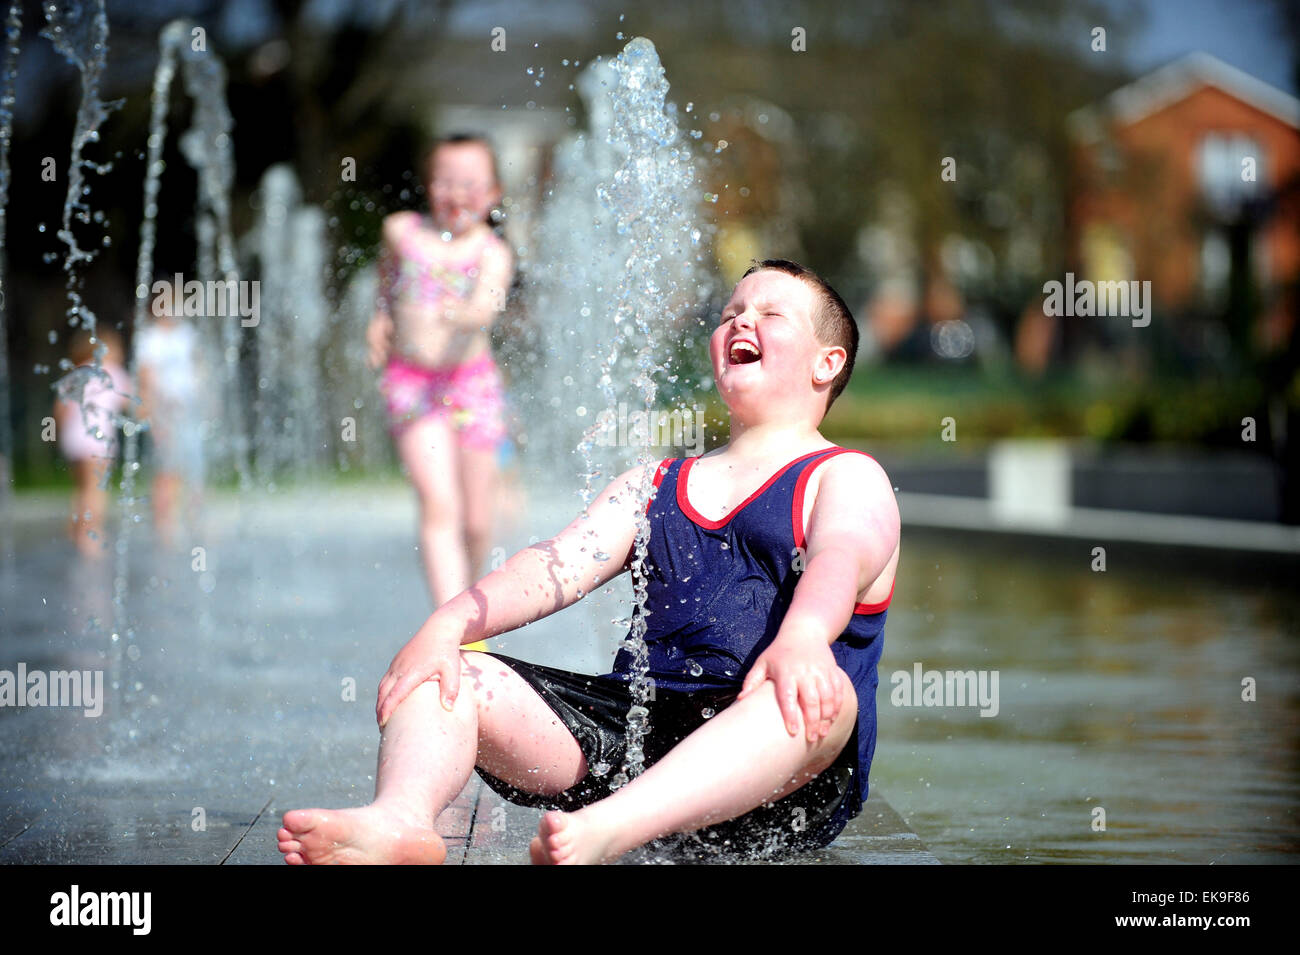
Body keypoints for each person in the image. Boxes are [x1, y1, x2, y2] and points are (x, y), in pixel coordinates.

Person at [279, 260, 900, 864]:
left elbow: (838, 559)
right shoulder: (654, 484)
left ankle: (609, 830)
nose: (742, 322)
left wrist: (802, 638)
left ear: (829, 362)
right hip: (631, 747)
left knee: (825, 697)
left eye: (771, 313)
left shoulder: (844, 477)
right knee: (452, 672)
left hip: (776, 774)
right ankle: (402, 821)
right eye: (730, 312)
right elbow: (556, 563)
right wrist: (450, 625)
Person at [366, 135, 514, 651]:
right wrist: (382, 314)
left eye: (471, 182)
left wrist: (465, 311)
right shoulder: (402, 232)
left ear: (492, 193)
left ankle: (466, 601)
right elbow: (386, 276)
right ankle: (456, 632)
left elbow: (487, 304)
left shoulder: (491, 252)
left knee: (476, 519)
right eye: (447, 180)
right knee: (439, 503)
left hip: (470, 385)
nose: (458, 192)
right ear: (429, 185)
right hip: (412, 385)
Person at [54, 327, 131, 558]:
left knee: (81, 489)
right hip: (98, 441)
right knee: (96, 490)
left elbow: (60, 409)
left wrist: (60, 435)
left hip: (74, 439)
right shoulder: (113, 373)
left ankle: (74, 530)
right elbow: (131, 401)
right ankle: (90, 534)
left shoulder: (77, 372)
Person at [135, 301, 204, 548]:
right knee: (167, 467)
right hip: (162, 411)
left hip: (188, 410)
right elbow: (145, 375)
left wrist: (206, 396)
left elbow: (198, 365)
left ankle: (195, 519)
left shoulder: (186, 333)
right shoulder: (149, 338)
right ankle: (164, 522)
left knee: (194, 465)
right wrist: (150, 409)